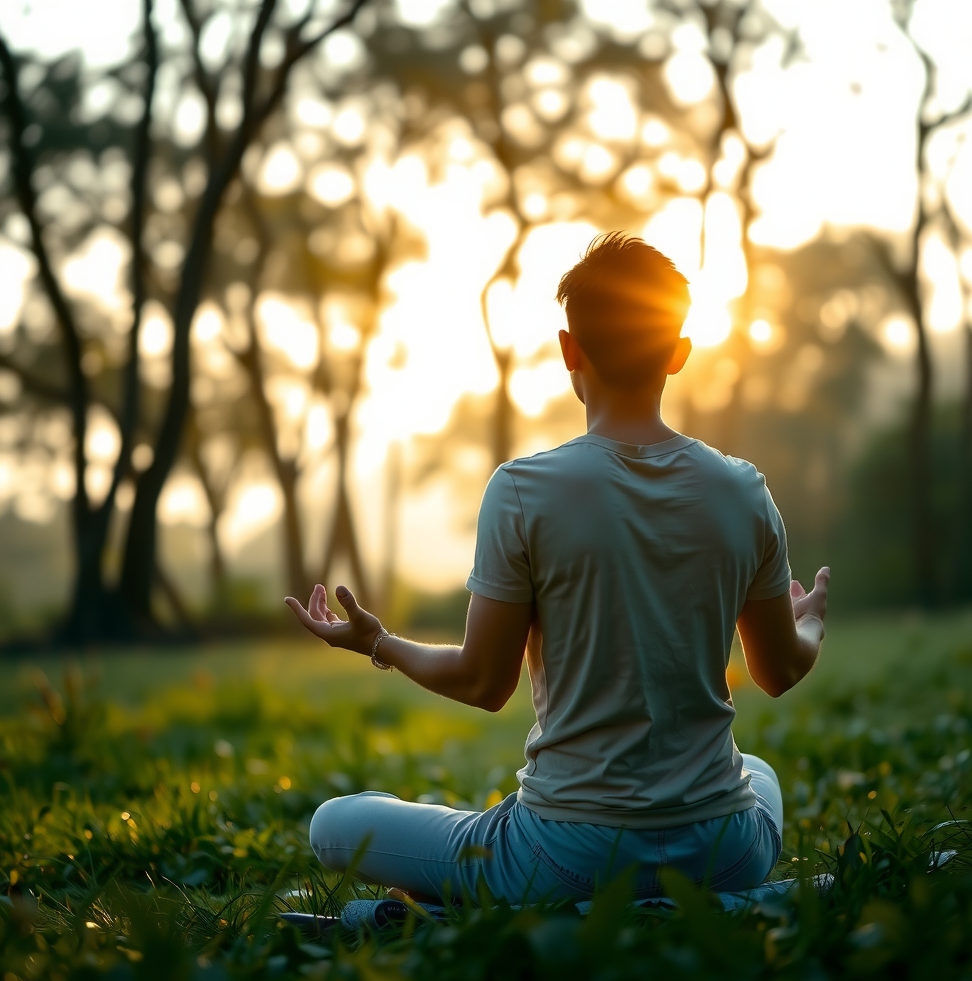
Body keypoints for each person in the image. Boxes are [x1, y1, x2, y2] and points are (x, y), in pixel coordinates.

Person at [286, 233, 829, 905]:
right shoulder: (744, 490)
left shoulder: (522, 491)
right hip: (722, 851)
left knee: (334, 825)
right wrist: (807, 626)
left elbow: (484, 681)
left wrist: (378, 642)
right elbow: (778, 671)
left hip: (564, 857)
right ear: (679, 353)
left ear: (570, 350)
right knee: (758, 773)